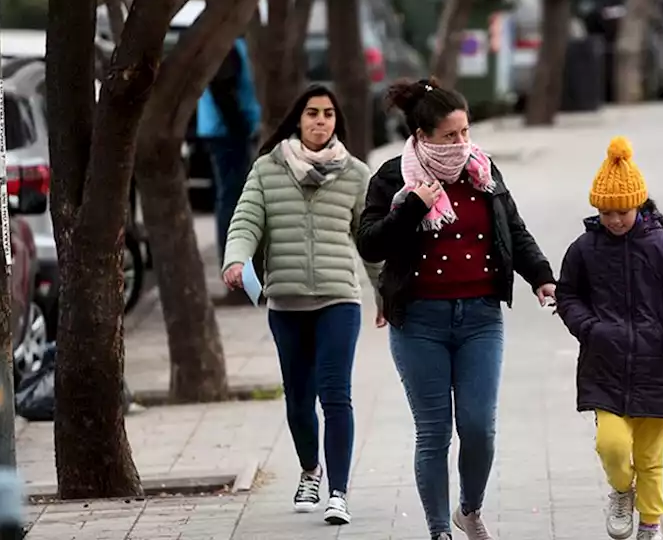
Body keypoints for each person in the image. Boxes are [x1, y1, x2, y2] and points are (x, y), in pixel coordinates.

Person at [356, 78, 556, 540]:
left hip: (481, 318)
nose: (462, 143)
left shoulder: (484, 171)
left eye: (465, 131)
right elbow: (369, 243)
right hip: (420, 321)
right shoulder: (393, 177)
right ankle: (437, 530)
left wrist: (542, 277)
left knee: (479, 426)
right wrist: (410, 208)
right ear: (422, 136)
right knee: (434, 432)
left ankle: (469, 509)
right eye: (450, 136)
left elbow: (515, 231)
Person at [220, 85, 376, 526]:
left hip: (338, 301)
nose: (321, 121)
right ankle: (311, 470)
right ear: (298, 119)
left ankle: (339, 493)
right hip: (286, 304)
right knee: (298, 401)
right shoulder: (267, 170)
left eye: (328, 114)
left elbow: (370, 243)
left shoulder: (355, 174)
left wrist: (386, 296)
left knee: (336, 395)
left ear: (335, 121)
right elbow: (246, 221)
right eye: (312, 113)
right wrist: (236, 259)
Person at [555, 136, 663, 540]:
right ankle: (622, 490)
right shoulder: (584, 250)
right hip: (604, 367)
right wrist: (590, 328)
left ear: (638, 204)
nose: (615, 220)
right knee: (612, 446)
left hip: (661, 367)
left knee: (649, 456)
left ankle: (651, 525)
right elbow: (567, 294)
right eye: (606, 212)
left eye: (622, 211)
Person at [197, 37, 260, 268]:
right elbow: (223, 90)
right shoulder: (224, 45)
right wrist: (242, 127)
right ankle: (234, 263)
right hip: (227, 132)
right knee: (233, 199)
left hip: (225, 131)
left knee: (231, 197)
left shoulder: (230, 44)